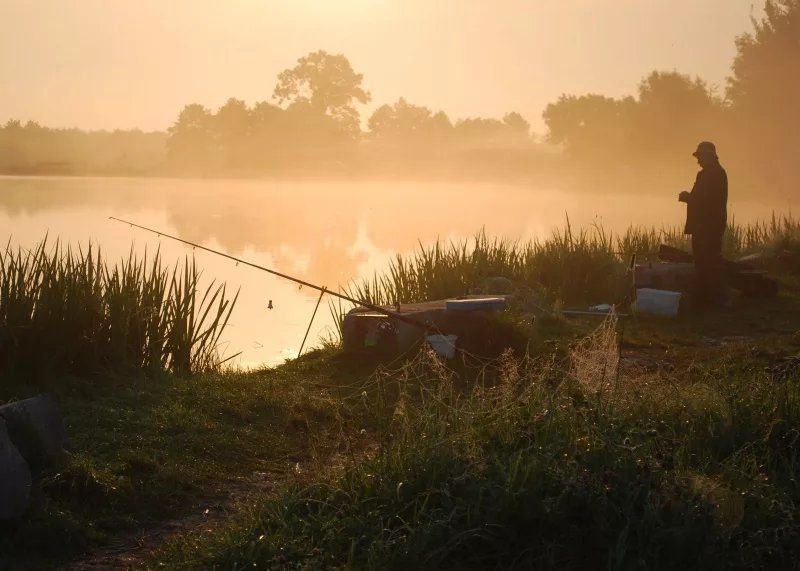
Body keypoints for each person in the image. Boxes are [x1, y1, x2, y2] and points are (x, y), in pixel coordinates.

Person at [678, 141, 728, 306]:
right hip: (710, 226)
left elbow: (704, 201)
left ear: (708, 157)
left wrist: (686, 197)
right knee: (708, 261)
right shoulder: (718, 173)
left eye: (700, 157)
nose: (698, 161)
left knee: (705, 262)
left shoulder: (710, 175)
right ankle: (710, 298)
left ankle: (707, 300)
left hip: (706, 227)